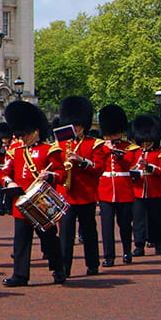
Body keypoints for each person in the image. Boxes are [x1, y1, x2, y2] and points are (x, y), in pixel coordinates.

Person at [0, 100, 66, 287]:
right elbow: (4, 171)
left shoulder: (49, 150)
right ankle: (20, 275)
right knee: (21, 241)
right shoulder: (16, 151)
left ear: (36, 131)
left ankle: (58, 269)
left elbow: (62, 174)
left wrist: (50, 175)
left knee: (49, 239)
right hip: (22, 202)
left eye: (26, 134)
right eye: (21, 134)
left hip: (41, 202)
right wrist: (9, 182)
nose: (23, 138)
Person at [56, 96, 102, 278]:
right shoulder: (60, 144)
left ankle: (92, 264)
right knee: (65, 234)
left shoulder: (94, 144)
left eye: (78, 125)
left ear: (84, 125)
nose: (75, 128)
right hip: (66, 195)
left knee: (89, 231)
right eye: (72, 125)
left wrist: (81, 161)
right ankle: (64, 268)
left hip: (85, 194)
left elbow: (98, 168)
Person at [96, 104, 139, 266]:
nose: (114, 135)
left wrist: (117, 153)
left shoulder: (129, 147)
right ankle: (109, 256)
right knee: (106, 226)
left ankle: (127, 252)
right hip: (106, 190)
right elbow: (97, 165)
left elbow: (129, 164)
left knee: (125, 224)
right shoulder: (101, 147)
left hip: (124, 190)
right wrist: (107, 150)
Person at [131, 114, 161, 255]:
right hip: (138, 191)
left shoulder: (160, 154)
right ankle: (139, 245)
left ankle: (157, 243)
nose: (145, 143)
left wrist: (150, 167)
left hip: (155, 191)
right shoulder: (135, 153)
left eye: (147, 140)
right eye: (143, 140)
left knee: (155, 219)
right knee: (138, 220)